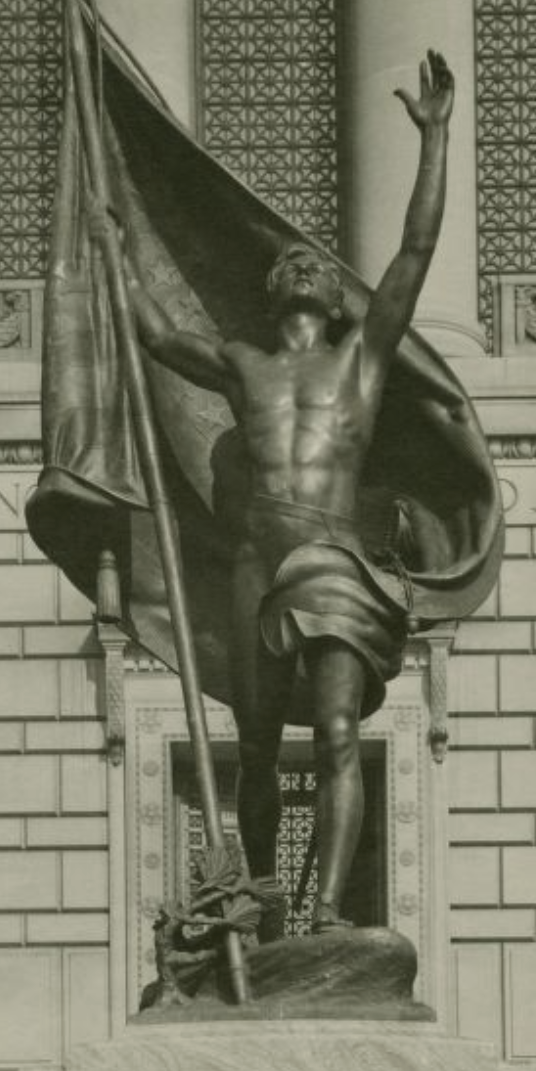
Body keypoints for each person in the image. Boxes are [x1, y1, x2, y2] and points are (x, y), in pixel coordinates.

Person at [95, 51, 454, 935]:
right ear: (270, 291)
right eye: (288, 262)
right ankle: (260, 907)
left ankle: (327, 912)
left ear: (337, 298)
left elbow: (413, 251)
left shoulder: (362, 362)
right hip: (257, 562)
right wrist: (111, 249)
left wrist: (436, 141)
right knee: (256, 750)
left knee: (335, 734)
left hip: (334, 559)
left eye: (316, 264)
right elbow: (152, 332)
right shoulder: (241, 363)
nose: (301, 265)